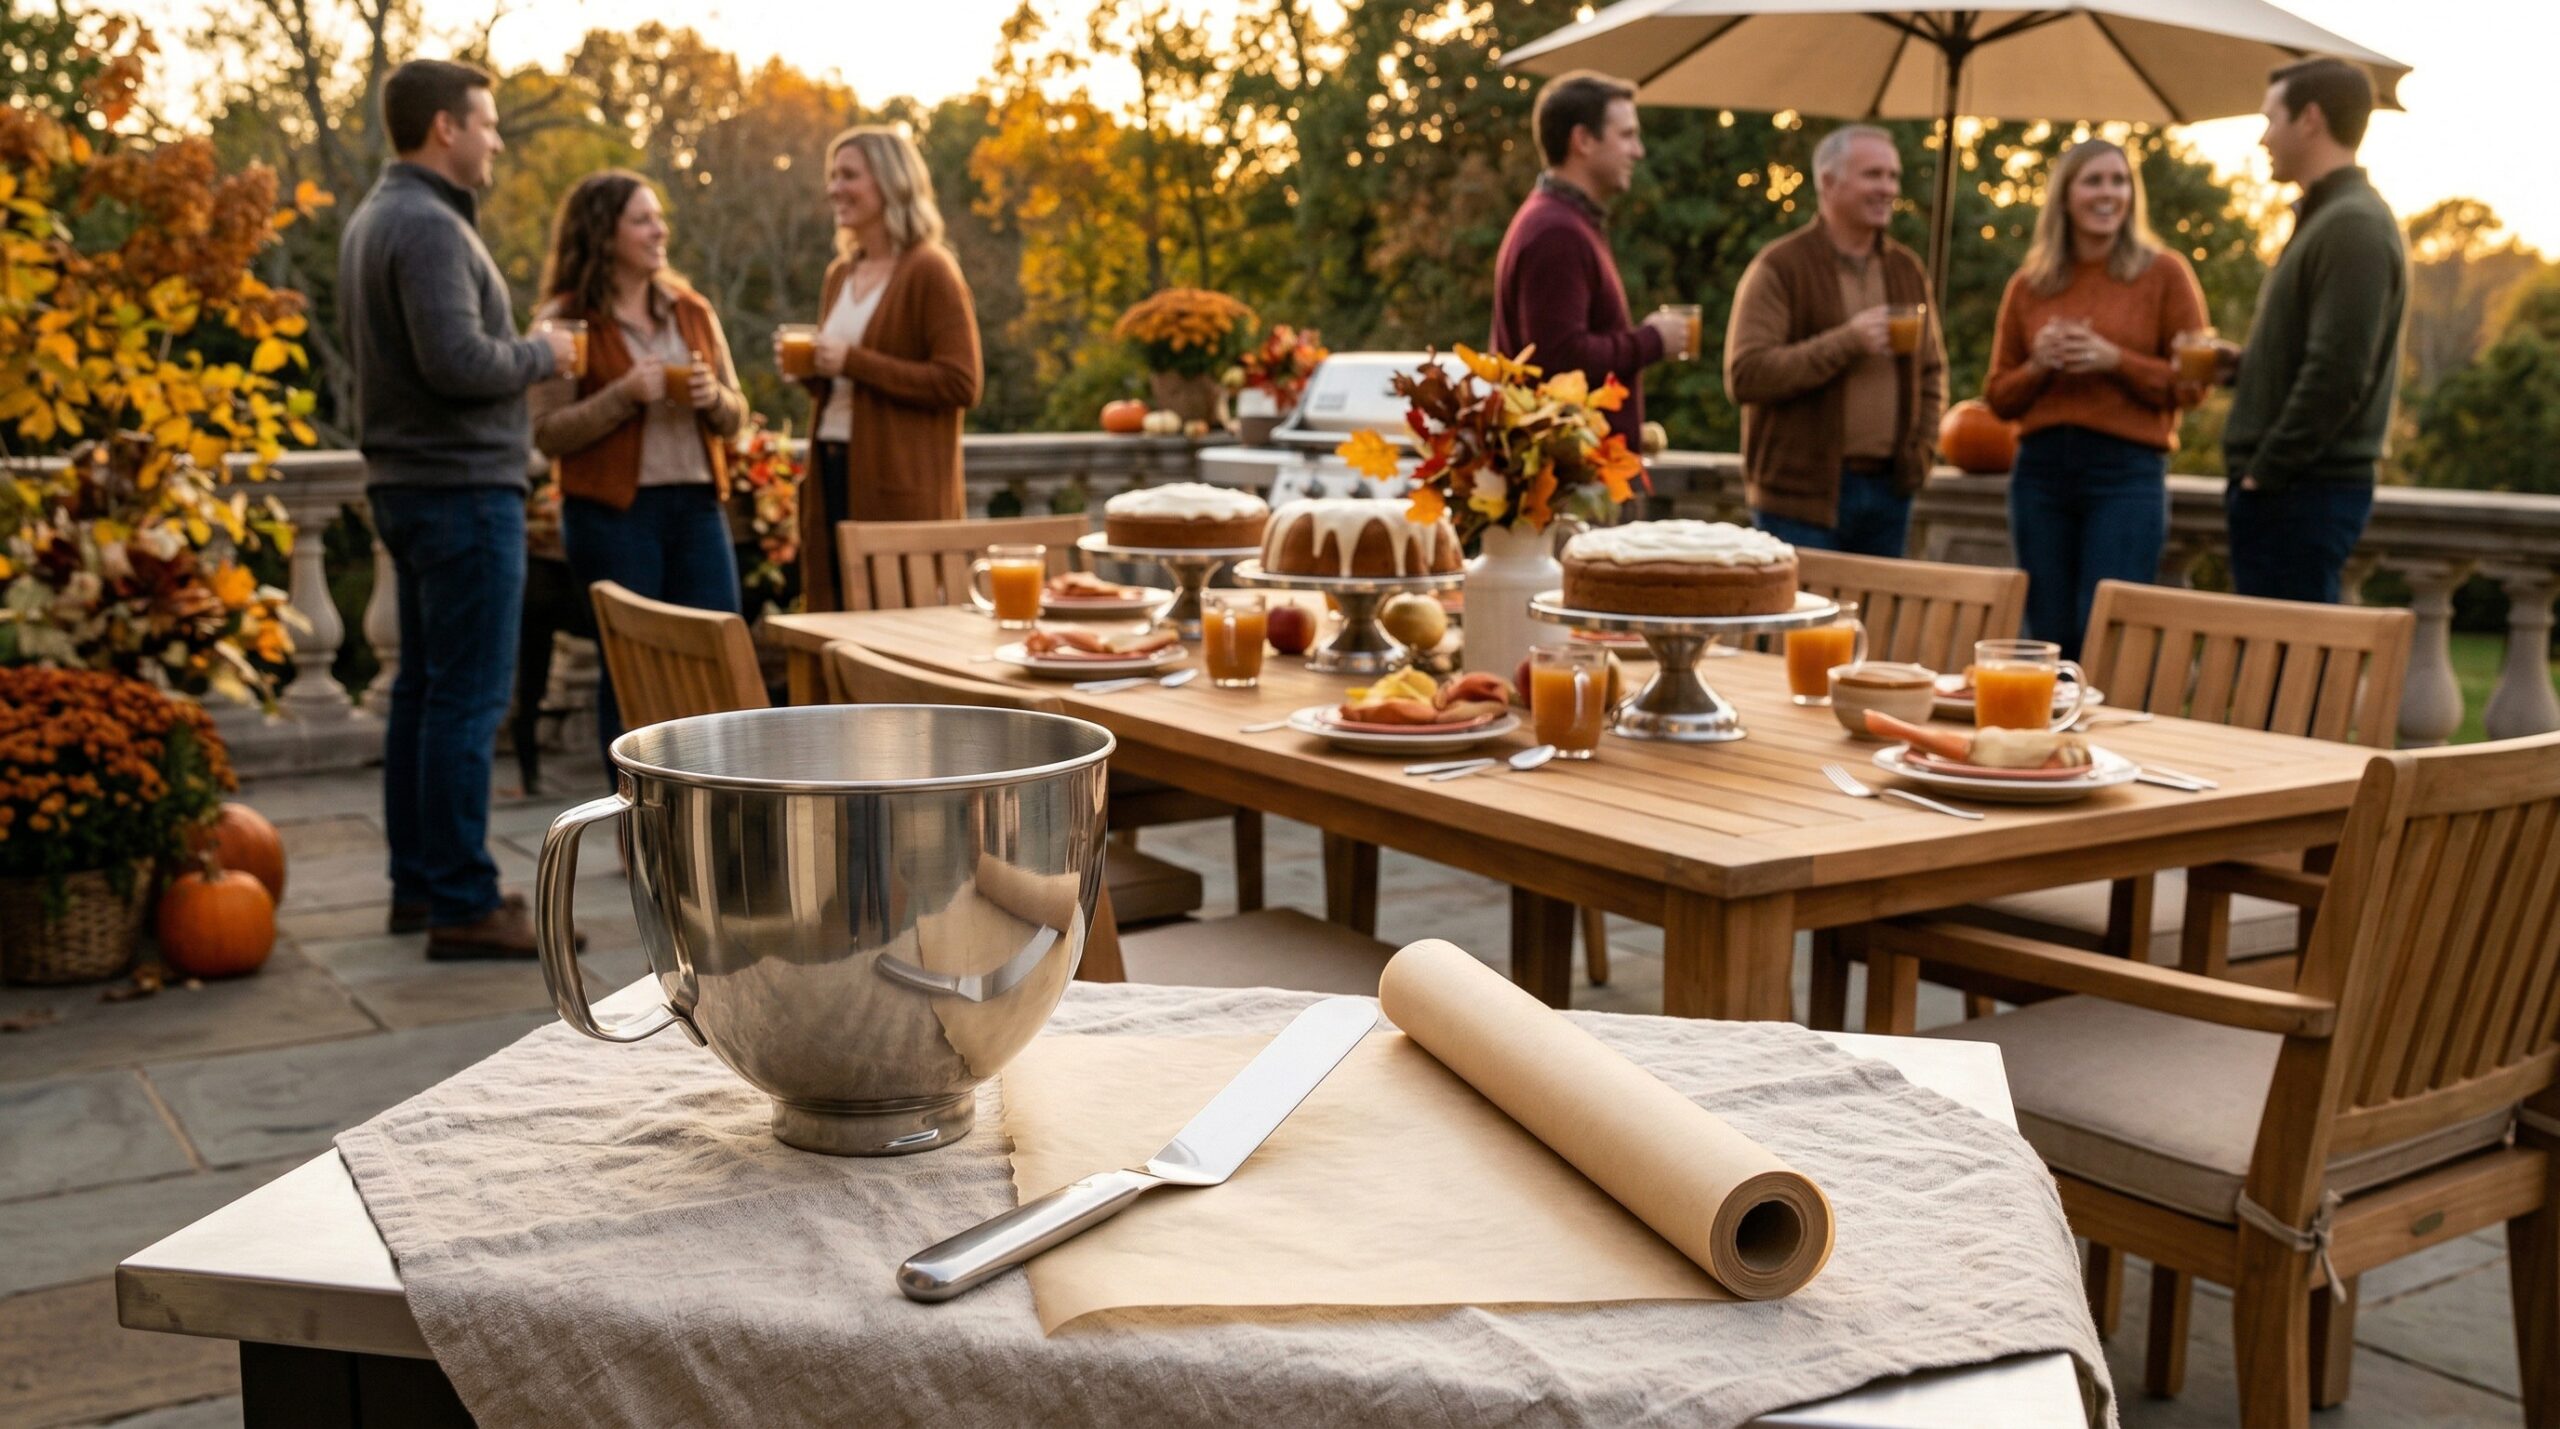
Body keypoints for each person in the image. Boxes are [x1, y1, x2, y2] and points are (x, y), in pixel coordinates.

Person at [339, 59, 576, 959]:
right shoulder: (429, 226)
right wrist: (541, 355)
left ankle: (420, 884)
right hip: (460, 492)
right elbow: (457, 362)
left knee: (426, 695)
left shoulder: (375, 217)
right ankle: (463, 900)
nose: (497, 139)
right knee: (469, 701)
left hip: (411, 489)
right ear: (446, 127)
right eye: (487, 122)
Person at [528, 170, 748, 779]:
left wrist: (712, 399)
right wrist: (624, 394)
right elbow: (546, 433)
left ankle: (712, 823)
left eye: (659, 218)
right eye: (643, 220)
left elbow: (736, 416)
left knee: (714, 664)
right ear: (604, 234)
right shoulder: (565, 321)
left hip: (699, 512)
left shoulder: (691, 311)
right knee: (629, 673)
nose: (660, 230)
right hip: (610, 517)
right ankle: (637, 831)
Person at [1983, 139, 2209, 658]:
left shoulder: (2164, 274)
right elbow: (1998, 398)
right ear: (2065, 197)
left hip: (2125, 475)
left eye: (2119, 181)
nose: (2109, 193)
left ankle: (2100, 741)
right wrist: (2040, 365)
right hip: (2040, 474)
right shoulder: (2028, 286)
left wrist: (2116, 360)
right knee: (2047, 634)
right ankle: (2047, 740)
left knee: (2108, 631)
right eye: (2094, 181)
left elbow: (2194, 385)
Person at [2214, 57, 2406, 604]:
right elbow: (2319, 354)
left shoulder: (2353, 226)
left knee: (2291, 682)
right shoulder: (2327, 219)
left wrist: (2263, 476)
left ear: (2310, 120)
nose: (2262, 138)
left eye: (2271, 119)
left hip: (2300, 494)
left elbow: (2337, 374)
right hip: (2292, 492)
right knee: (2277, 676)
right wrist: (2248, 368)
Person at [1724, 125, 1946, 558]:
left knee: (1874, 627)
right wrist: (1846, 342)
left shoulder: (1906, 269)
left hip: (1890, 494)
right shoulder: (1781, 267)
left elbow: (1932, 372)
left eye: (1893, 176)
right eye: (1874, 175)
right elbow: (1747, 375)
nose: (1888, 188)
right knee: (1801, 626)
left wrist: (1921, 453)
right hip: (1799, 499)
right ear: (1828, 182)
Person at [786, 124, 983, 613]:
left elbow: (961, 382)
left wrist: (853, 361)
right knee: (835, 613)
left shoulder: (929, 270)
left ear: (891, 183)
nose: (835, 188)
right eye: (832, 176)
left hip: (898, 485)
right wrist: (814, 370)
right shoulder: (840, 273)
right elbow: (847, 390)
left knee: (891, 619)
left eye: (849, 175)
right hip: (833, 469)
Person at [1489, 70, 1687, 452]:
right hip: (1568, 481)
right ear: (1582, 140)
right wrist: (1650, 341)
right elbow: (1560, 359)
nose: (1638, 151)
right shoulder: (1556, 232)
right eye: (1626, 135)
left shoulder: (1567, 223)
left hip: (1576, 473)